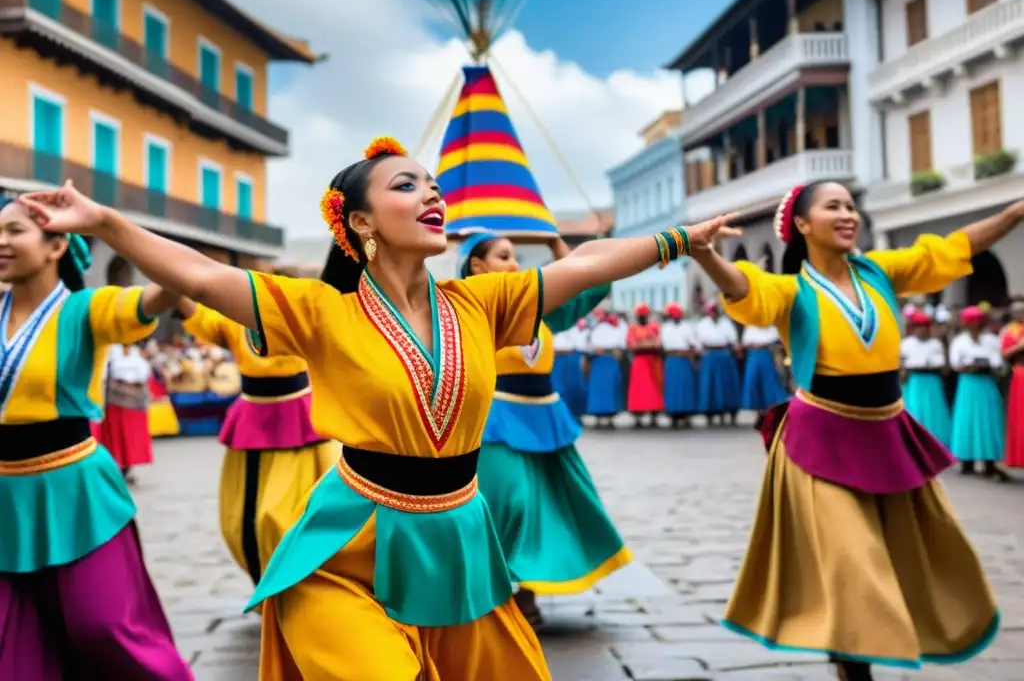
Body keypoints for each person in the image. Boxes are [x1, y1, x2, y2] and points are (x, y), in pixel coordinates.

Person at [18, 137, 736, 681]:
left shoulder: (482, 303)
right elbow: (204, 277)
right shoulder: (319, 312)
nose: (435, 195)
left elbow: (582, 265)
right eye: (408, 185)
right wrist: (105, 220)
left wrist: (679, 241)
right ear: (360, 221)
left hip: (459, 540)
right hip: (351, 544)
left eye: (435, 185)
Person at [689, 180, 1010, 680]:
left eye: (851, 206)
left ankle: (860, 654)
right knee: (850, 561)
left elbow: (955, 248)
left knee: (922, 551)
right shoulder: (790, 289)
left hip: (886, 432)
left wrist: (1016, 209)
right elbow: (743, 288)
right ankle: (854, 669)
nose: (848, 215)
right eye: (833, 206)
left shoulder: (878, 272)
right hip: (821, 439)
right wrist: (706, 254)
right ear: (802, 224)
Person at [0, 196, 192, 680]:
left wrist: (107, 223)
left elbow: (175, 286)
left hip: (74, 485)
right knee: (12, 646)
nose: (0, 242)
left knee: (104, 626)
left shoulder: (90, 309)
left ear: (56, 245)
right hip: (4, 494)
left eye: (15, 231)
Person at [457, 232, 629, 629]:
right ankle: (500, 595)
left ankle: (527, 592)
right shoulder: (469, 305)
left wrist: (556, 247)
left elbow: (591, 281)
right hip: (496, 423)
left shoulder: (535, 306)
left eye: (516, 256)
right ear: (477, 265)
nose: (515, 264)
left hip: (545, 419)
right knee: (510, 503)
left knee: (555, 505)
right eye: (503, 256)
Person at [180, 299, 341, 586]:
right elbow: (196, 308)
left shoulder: (304, 311)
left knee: (288, 515)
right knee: (244, 521)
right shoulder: (231, 319)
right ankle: (271, 587)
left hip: (300, 421)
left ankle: (302, 586)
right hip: (253, 418)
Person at [949, 306, 1009, 481]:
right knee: (967, 419)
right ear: (966, 325)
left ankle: (989, 462)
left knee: (988, 420)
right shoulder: (959, 341)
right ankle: (967, 461)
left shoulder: (991, 340)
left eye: (978, 324)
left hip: (986, 383)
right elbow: (954, 362)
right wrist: (968, 365)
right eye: (971, 324)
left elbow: (998, 360)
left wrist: (986, 363)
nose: (975, 327)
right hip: (968, 383)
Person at [100, 342, 155, 483]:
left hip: (135, 402)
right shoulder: (111, 352)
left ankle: (128, 467)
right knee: (116, 436)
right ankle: (116, 467)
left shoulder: (137, 354)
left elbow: (143, 374)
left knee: (133, 437)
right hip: (115, 400)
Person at [900, 309, 952, 448]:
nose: (922, 330)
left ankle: (936, 441)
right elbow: (902, 363)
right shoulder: (906, 344)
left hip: (932, 379)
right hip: (914, 380)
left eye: (925, 327)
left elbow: (942, 364)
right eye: (918, 327)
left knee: (934, 410)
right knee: (915, 409)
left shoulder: (936, 344)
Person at [695, 300, 740, 426]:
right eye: (711, 311)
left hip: (724, 355)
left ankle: (730, 411)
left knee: (726, 384)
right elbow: (698, 343)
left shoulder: (726, 323)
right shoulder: (702, 324)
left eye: (715, 311)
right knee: (710, 385)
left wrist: (736, 350)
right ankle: (710, 413)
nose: (713, 314)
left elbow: (733, 341)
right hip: (709, 356)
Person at [660, 302, 699, 428]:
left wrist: (690, 353)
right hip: (672, 359)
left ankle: (687, 413)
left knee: (685, 387)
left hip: (684, 359)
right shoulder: (665, 328)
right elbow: (663, 345)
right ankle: (673, 414)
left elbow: (695, 344)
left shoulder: (687, 327)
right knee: (672, 387)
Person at [738, 322, 787, 421]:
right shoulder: (750, 327)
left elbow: (778, 342)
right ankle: (757, 409)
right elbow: (745, 342)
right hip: (754, 355)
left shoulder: (772, 328)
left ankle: (770, 408)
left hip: (767, 354)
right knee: (754, 380)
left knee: (769, 381)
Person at [626, 303, 664, 427]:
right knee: (639, 389)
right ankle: (638, 415)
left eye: (644, 315)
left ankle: (654, 414)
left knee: (654, 388)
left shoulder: (654, 327)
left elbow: (657, 344)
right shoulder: (633, 328)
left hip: (652, 361)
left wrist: (643, 343)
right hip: (639, 361)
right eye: (640, 315)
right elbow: (632, 345)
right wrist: (647, 343)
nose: (642, 318)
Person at [586, 310, 624, 427]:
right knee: (604, 388)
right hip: (603, 360)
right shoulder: (612, 329)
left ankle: (604, 415)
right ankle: (606, 415)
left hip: (604, 360)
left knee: (604, 389)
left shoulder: (609, 329)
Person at [1001, 301, 1024, 469]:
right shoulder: (1008, 331)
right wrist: (1019, 347)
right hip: (1018, 373)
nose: (1019, 314)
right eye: (1016, 311)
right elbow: (1004, 354)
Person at [551, 318, 587, 420]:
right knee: (558, 388)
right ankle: (559, 415)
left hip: (572, 357)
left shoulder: (575, 326)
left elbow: (580, 343)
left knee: (575, 386)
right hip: (556, 359)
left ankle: (576, 414)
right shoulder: (552, 325)